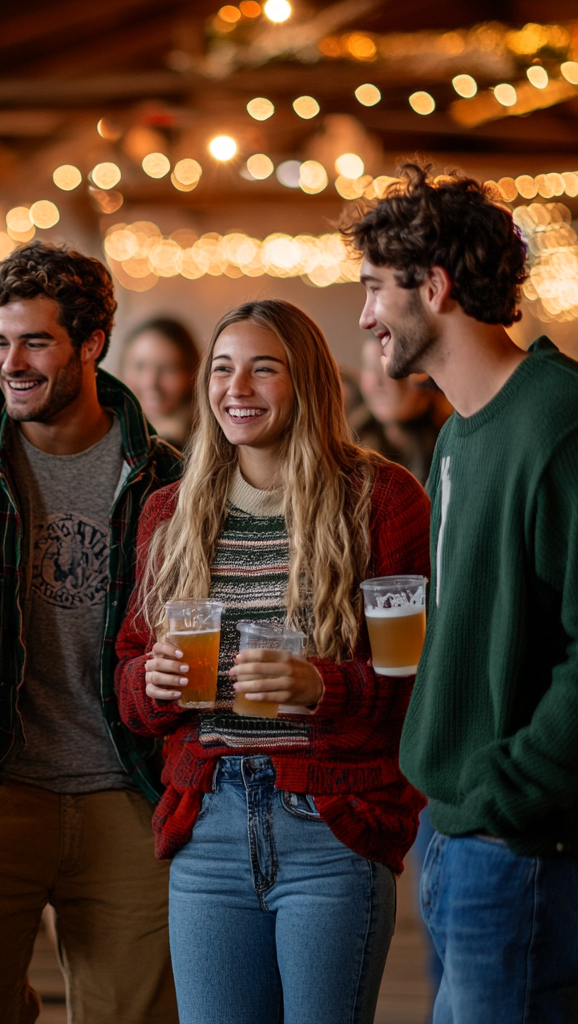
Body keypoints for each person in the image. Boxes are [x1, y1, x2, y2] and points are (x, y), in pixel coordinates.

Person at [115, 299, 430, 1024]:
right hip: (208, 822)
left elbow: (413, 681)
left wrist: (324, 686)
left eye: (264, 369)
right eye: (223, 370)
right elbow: (130, 679)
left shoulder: (383, 500)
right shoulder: (170, 512)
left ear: (310, 382)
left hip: (330, 825)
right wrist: (151, 682)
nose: (237, 389)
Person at [0, 241, 182, 1024]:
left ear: (92, 344)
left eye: (36, 341)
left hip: (127, 790)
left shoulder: (172, 480)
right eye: (1, 341)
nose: (12, 362)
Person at [349, 164, 578, 1024]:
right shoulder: (456, 441)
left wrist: (503, 795)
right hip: (452, 834)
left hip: (518, 845)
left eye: (376, 289)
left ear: (434, 287)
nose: (366, 314)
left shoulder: (558, 424)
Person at [356, 336, 451, 483]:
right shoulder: (351, 444)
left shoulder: (453, 443)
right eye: (369, 367)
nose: (377, 381)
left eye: (387, 366)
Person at [120, 316, 200, 448]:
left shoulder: (208, 444)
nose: (150, 382)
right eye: (139, 366)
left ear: (192, 374)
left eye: (168, 369)